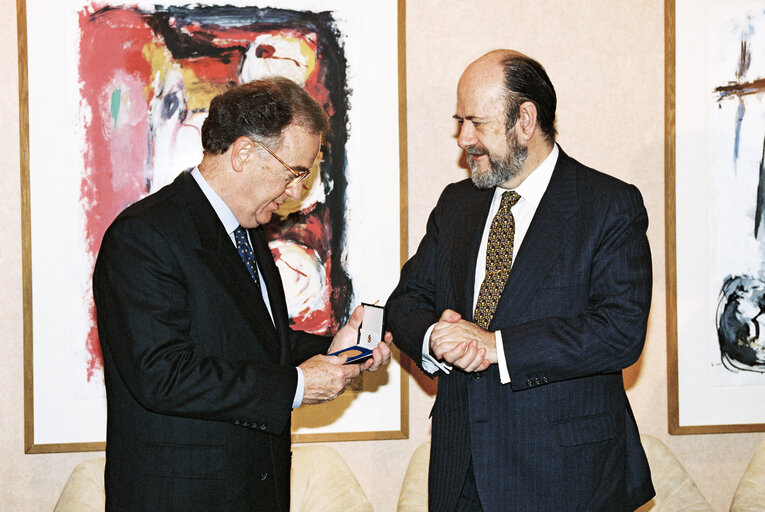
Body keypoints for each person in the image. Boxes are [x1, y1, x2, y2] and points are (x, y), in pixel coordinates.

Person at [93, 76, 391, 512]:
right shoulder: (144, 236)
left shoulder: (246, 232)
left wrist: (333, 348)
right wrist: (297, 385)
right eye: (295, 173)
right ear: (245, 152)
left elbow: (258, 346)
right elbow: (163, 374)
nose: (296, 192)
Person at [386, 50, 655, 511]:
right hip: (460, 473)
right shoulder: (457, 203)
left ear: (525, 120)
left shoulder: (608, 205)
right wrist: (435, 337)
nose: (464, 139)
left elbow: (620, 333)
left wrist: (497, 346)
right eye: (460, 121)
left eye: (477, 123)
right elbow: (406, 301)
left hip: (566, 479)